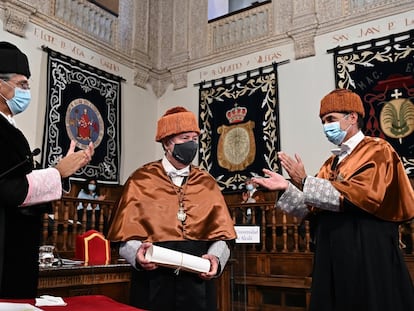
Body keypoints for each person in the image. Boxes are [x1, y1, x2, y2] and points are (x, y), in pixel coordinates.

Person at [252, 88, 414, 311]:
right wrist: (287, 187)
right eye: (323, 121)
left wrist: (304, 181)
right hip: (333, 251)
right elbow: (314, 207)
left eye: (331, 119)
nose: (326, 126)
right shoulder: (332, 162)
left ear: (353, 117)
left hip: (366, 250)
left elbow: (363, 197)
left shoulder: (377, 150)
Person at [107, 106, 236, 311]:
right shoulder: (140, 180)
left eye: (194, 138)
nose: (191, 144)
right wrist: (137, 256)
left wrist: (216, 259)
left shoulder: (207, 183)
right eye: (185, 138)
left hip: (198, 285)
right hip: (153, 282)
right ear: (167, 142)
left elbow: (223, 238)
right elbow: (124, 238)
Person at [0, 41, 94, 299]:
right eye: (21, 85)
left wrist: (62, 172)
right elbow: (9, 190)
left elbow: (23, 185)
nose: (27, 91)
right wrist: (57, 173)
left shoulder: (11, 129)